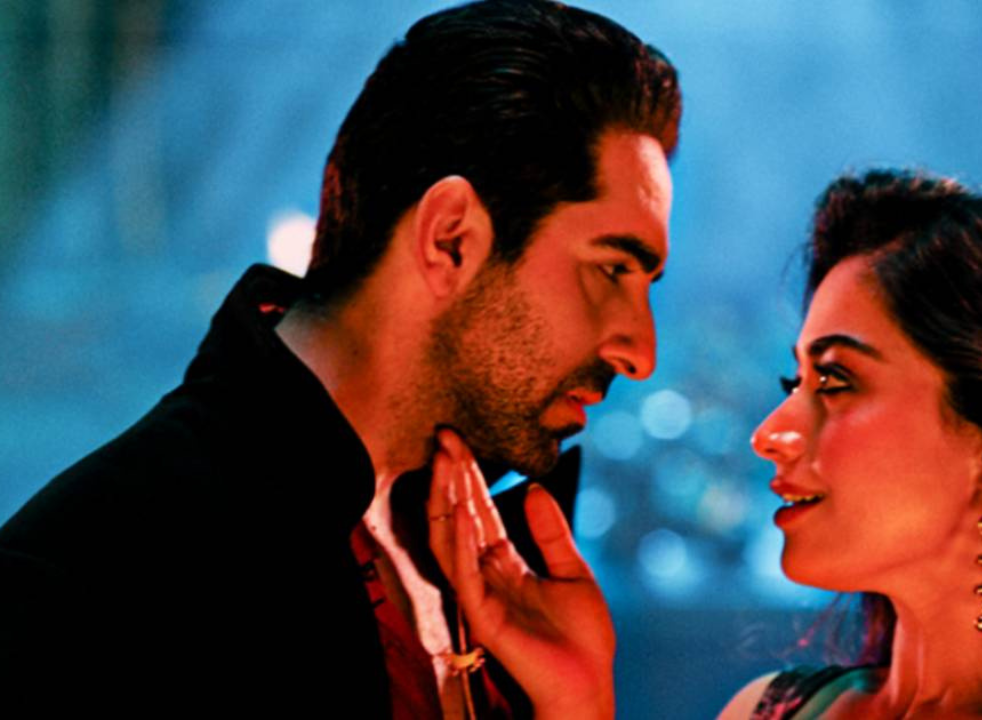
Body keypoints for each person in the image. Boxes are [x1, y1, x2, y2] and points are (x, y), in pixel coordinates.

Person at [0, 1, 680, 717]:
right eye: (612, 269)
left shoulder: (504, 574)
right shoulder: (90, 587)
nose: (641, 351)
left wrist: (576, 706)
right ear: (451, 238)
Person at [430, 169, 982, 718]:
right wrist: (576, 700)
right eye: (792, 382)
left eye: (835, 382)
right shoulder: (773, 710)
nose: (771, 433)